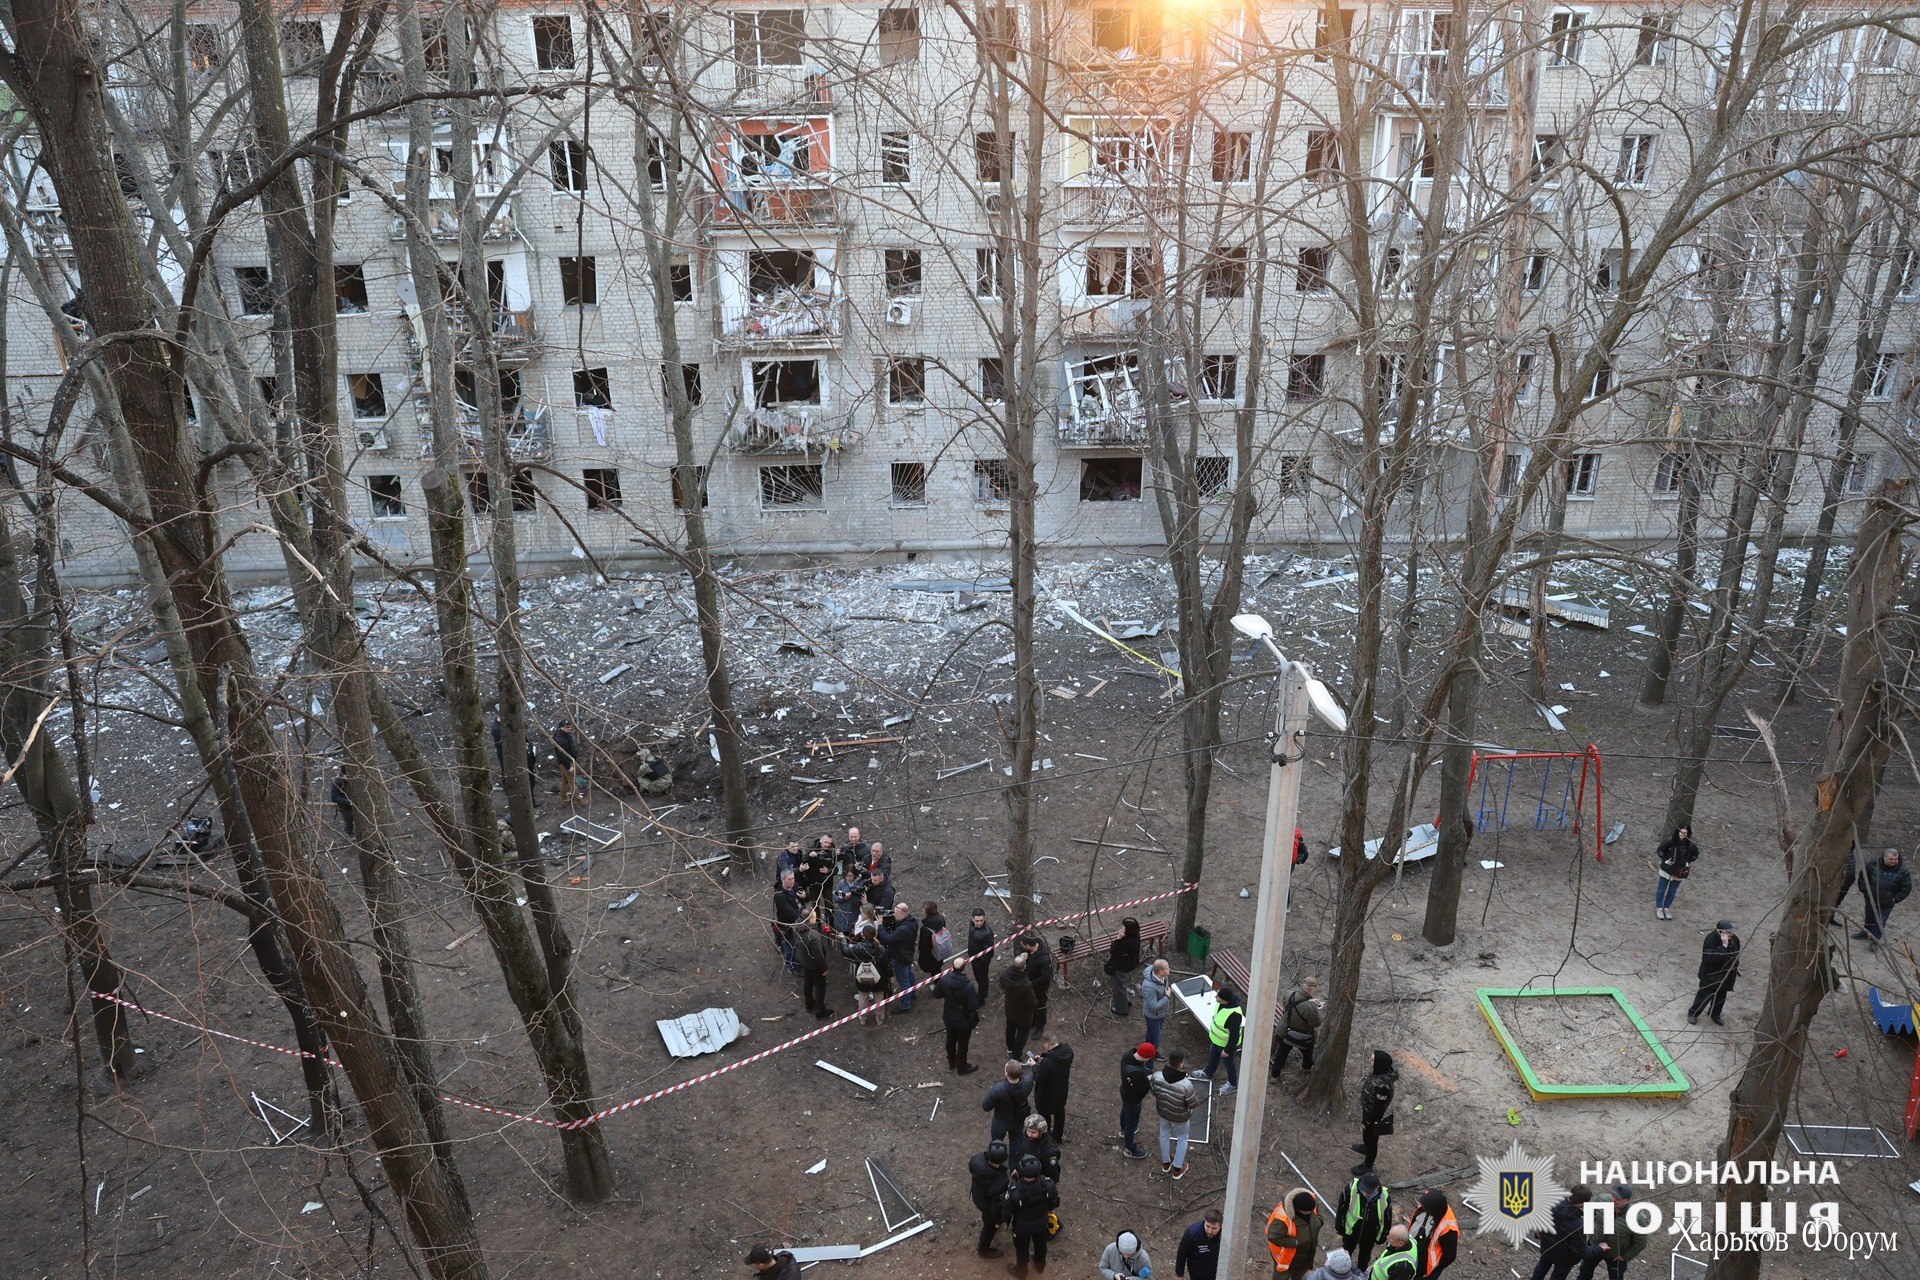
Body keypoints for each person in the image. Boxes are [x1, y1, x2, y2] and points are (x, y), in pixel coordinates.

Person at [1004, 1153, 1060, 1277]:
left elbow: (1007, 1211)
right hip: (1041, 1223)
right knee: (1041, 1244)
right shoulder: (1048, 1184)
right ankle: (1040, 1264)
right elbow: (1054, 1203)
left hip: (1022, 1227)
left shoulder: (1014, 1190)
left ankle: (1021, 1272)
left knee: (1022, 1250)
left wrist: (1006, 1222)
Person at [1577, 1184, 1643, 1280]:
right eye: (1613, 1196)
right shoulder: (1601, 1200)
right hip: (1595, 1246)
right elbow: (1589, 1212)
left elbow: (1641, 1242)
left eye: (1618, 1199)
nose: (1613, 1200)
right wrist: (1591, 1233)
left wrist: (1625, 1256)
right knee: (1584, 1273)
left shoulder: (1636, 1218)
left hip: (1616, 1255)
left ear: (1627, 1201)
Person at [1149, 1048, 1198, 1178]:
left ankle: (1166, 1164)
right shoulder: (1186, 1085)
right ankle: (1177, 1168)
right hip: (1181, 1117)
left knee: (1164, 1135)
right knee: (1182, 1138)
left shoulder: (1156, 1076)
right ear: (1181, 1064)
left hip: (1163, 1112)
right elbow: (1193, 1104)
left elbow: (1154, 1092)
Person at [1529, 1187, 1593, 1280]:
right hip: (1564, 1260)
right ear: (1581, 1204)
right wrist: (1599, 1249)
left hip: (1546, 1248)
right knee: (1558, 1276)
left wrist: (1539, 1231)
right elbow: (1579, 1251)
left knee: (1542, 1266)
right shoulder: (1578, 1225)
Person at [1854, 847, 1911, 948]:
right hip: (1871, 898)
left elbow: (1906, 888)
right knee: (1869, 917)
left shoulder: (1903, 872)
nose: (1894, 861)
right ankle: (1865, 933)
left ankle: (1875, 941)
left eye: (1896, 859)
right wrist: (1864, 890)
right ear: (1884, 858)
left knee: (1880, 921)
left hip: (1887, 903)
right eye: (1891, 859)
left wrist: (1895, 899)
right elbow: (1863, 876)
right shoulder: (1872, 864)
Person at [1335, 1169, 1391, 1269]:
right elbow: (1341, 1209)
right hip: (1351, 1231)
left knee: (1364, 1258)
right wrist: (1339, 1227)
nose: (1365, 1193)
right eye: (1363, 1189)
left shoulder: (1385, 1198)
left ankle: (1361, 1272)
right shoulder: (1351, 1189)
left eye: (1368, 1191)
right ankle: (1342, 1270)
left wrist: (1381, 1237)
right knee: (1345, 1252)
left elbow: (1387, 1219)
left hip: (1370, 1235)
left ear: (1377, 1188)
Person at [1688, 921, 1741, 1025]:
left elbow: (1735, 954)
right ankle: (1693, 1013)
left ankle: (1714, 1014)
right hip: (1711, 976)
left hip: (1726, 975)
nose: (1731, 934)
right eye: (1728, 932)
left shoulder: (1734, 939)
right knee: (1704, 996)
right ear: (1721, 932)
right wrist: (1724, 946)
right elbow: (1709, 959)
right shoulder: (1710, 939)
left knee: (1721, 997)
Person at [1351, 1051, 1397, 1167]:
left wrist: (1367, 1120)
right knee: (1366, 1134)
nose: (1369, 1061)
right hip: (1368, 1110)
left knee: (1371, 1138)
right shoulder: (1380, 1072)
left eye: (1372, 1060)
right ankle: (1366, 1147)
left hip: (1373, 1115)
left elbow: (1378, 1108)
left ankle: (1368, 1164)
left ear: (1379, 1064)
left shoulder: (1383, 1086)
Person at [841, 920, 890, 1025]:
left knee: (863, 998)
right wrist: (890, 975)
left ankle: (863, 1017)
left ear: (863, 935)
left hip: (862, 977)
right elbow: (887, 965)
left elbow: (846, 952)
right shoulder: (881, 949)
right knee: (879, 998)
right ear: (875, 934)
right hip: (879, 978)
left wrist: (842, 940)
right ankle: (879, 1016)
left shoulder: (858, 948)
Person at [1267, 1189, 1322, 1280]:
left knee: (1299, 1275)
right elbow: (1274, 1237)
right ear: (1299, 1209)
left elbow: (1317, 1213)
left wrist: (1320, 1221)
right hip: (1287, 1260)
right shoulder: (1282, 1219)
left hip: (1305, 1257)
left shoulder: (1311, 1201)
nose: (1311, 1213)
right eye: (1307, 1212)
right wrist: (1295, 1242)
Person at [940, 954, 982, 1073]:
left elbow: (937, 994)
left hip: (948, 1016)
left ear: (952, 967)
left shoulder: (944, 980)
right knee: (963, 1044)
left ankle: (952, 1062)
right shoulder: (968, 986)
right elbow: (973, 1006)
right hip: (963, 1021)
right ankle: (962, 1067)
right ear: (964, 968)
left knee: (950, 1039)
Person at [970, 1141, 1011, 1257]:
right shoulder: (1000, 1181)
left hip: (978, 1196)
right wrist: (998, 1221)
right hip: (987, 1205)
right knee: (989, 1226)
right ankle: (983, 1250)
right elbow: (996, 1205)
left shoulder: (976, 1161)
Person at [1406, 1188, 1459, 1279]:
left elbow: (1450, 1257)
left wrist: (1432, 1275)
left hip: (1424, 1265)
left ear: (1433, 1211)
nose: (1421, 1206)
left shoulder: (1449, 1230)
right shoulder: (1428, 1202)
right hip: (1410, 1251)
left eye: (1425, 1207)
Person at [1274, 977, 1322, 1074]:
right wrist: (1314, 1006)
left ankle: (1274, 1075)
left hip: (1285, 1030)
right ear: (1311, 990)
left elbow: (1286, 1004)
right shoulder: (1310, 1008)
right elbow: (1316, 1023)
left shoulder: (1289, 994)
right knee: (1308, 1053)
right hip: (1303, 1037)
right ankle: (1306, 1068)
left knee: (1281, 1054)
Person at [1030, 1033, 1074, 1140]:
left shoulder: (1048, 1062)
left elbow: (1039, 1079)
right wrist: (1043, 1060)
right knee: (1060, 1112)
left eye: (1043, 1045)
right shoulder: (1068, 1052)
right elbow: (1055, 1064)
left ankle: (1047, 1138)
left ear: (1047, 1044)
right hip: (1061, 1090)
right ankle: (1058, 1136)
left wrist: (1034, 1066)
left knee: (1045, 1117)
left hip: (1047, 1095)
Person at [1202, 988, 1244, 1095]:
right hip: (1216, 1040)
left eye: (1218, 997)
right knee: (1213, 1056)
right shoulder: (1222, 1004)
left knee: (1228, 1064)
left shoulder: (1234, 1015)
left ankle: (1232, 1084)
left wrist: (1227, 1050)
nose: (1216, 997)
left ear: (1225, 1000)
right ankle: (1208, 1073)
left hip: (1225, 1046)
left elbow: (1234, 1037)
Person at [880, 902, 921, 1012]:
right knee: (909, 973)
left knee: (903, 981)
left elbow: (887, 939)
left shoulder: (903, 929)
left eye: (896, 913)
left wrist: (880, 926)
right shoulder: (912, 921)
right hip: (908, 954)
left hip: (899, 957)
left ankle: (905, 1005)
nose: (894, 915)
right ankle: (912, 994)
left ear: (904, 913)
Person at [1654, 826, 1700, 920]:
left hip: (1680, 871)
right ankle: (1659, 908)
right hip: (1667, 869)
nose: (1682, 835)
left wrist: (1687, 862)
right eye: (1680, 832)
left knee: (1672, 891)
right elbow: (1660, 850)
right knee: (1661, 889)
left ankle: (1666, 909)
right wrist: (1666, 860)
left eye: (1685, 833)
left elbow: (1695, 855)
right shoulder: (1670, 841)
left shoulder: (1691, 845)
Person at [795, 910, 834, 1019]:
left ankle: (809, 1004)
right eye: (815, 917)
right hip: (814, 965)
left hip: (805, 961)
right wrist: (824, 968)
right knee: (820, 987)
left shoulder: (797, 926)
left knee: (808, 982)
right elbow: (818, 955)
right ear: (810, 919)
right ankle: (820, 1010)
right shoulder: (813, 936)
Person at [983, 1059, 1033, 1142]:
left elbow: (986, 1106)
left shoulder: (998, 1089)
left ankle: (998, 1154)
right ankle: (1014, 1155)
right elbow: (1024, 1075)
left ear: (1006, 1073)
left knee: (996, 1144)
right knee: (1016, 1143)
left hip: (1001, 1121)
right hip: (1018, 1118)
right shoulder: (1028, 1081)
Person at [1120, 1041, 1154, 1160]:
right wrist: (1148, 1081)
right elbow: (1141, 1091)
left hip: (1125, 1092)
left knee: (1124, 1111)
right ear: (1147, 1058)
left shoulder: (1127, 1055)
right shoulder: (1136, 1072)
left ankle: (1123, 1131)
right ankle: (1130, 1149)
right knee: (1131, 1124)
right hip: (1133, 1100)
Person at [1106, 917, 1143, 1016]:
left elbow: (1113, 951)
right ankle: (1126, 1001)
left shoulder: (1126, 942)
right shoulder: (1135, 935)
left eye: (1124, 927)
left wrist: (1118, 938)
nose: (1121, 929)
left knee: (1119, 988)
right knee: (1123, 985)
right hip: (1130, 964)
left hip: (1122, 967)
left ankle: (1122, 1009)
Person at [1004, 954, 1038, 1056]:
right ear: (1024, 967)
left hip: (1010, 1010)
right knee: (1022, 1035)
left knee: (1010, 1030)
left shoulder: (1005, 975)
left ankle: (1010, 1049)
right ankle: (1016, 1055)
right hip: (1023, 1015)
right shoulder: (1026, 985)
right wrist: (1037, 1004)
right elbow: (1032, 1002)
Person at [1021, 933, 1055, 1034]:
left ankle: (1040, 1026)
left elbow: (1046, 976)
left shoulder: (1044, 959)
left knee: (1040, 1006)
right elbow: (1019, 949)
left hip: (1039, 987)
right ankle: (1032, 1021)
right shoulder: (1031, 948)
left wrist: (1031, 984)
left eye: (1022, 944)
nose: (1021, 945)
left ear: (1028, 945)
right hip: (1030, 983)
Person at [1013, 1114, 1062, 1185]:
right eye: (1028, 1131)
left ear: (1041, 1132)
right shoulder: (1027, 1136)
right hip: (1023, 1178)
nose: (1029, 1134)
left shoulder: (1050, 1152)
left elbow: (1052, 1176)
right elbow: (1021, 1153)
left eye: (1033, 1132)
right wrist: (1017, 1169)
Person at [1175, 1211, 1223, 1280]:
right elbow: (1181, 1255)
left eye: (1214, 1228)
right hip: (1198, 1274)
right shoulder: (1192, 1233)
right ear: (1204, 1221)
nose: (1210, 1231)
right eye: (1207, 1226)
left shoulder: (1226, 1235)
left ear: (1220, 1226)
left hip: (1218, 1273)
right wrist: (1179, 1275)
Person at [772, 870, 804, 973]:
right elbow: (789, 911)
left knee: (795, 944)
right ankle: (792, 967)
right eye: (789, 879)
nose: (792, 881)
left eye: (793, 878)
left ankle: (790, 961)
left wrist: (805, 895)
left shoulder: (795, 886)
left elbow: (805, 898)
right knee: (792, 945)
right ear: (783, 880)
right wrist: (803, 918)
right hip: (789, 924)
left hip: (797, 920)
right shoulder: (779, 895)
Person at [1141, 959, 1172, 1050]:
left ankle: (1149, 1051)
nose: (1170, 969)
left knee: (1152, 1035)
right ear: (1161, 972)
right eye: (1167, 968)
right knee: (1155, 1039)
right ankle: (1149, 1062)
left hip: (1161, 1013)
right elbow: (1154, 1007)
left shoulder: (1164, 976)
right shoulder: (1149, 986)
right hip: (1153, 1017)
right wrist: (1167, 996)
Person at [969, 908, 998, 1004]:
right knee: (978, 977)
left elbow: (990, 952)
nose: (979, 923)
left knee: (983, 979)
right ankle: (983, 992)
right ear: (972, 919)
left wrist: (982, 963)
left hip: (980, 961)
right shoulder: (972, 924)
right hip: (974, 956)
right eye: (977, 920)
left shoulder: (987, 933)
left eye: (981, 920)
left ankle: (981, 999)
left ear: (984, 918)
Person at [920, 902, 955, 976]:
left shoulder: (925, 928)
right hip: (940, 948)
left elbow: (923, 945)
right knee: (937, 965)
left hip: (930, 953)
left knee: (934, 969)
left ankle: (937, 982)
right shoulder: (941, 918)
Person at [831, 865, 866, 935]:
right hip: (841, 916)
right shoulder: (842, 883)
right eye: (847, 876)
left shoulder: (861, 884)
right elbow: (836, 896)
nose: (848, 878)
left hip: (853, 916)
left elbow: (860, 901)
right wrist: (844, 897)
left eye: (850, 876)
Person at [553, 717, 580, 802]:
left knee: (565, 781)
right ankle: (578, 800)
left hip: (568, 760)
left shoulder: (564, 734)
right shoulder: (560, 740)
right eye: (568, 727)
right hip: (566, 763)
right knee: (572, 782)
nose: (570, 729)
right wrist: (568, 767)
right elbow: (561, 755)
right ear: (562, 727)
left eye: (570, 727)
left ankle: (564, 797)